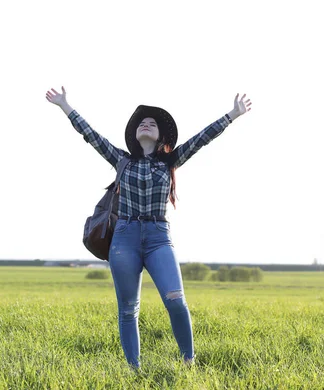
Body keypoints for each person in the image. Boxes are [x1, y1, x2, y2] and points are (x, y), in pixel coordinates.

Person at [45, 86, 252, 368]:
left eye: (152, 123)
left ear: (160, 136)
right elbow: (90, 135)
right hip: (124, 239)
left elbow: (202, 139)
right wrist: (64, 106)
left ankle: (188, 362)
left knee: (176, 300)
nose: (146, 124)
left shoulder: (170, 161)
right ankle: (134, 370)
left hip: (158, 239)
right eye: (143, 122)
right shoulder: (122, 160)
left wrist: (232, 115)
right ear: (135, 133)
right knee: (128, 310)